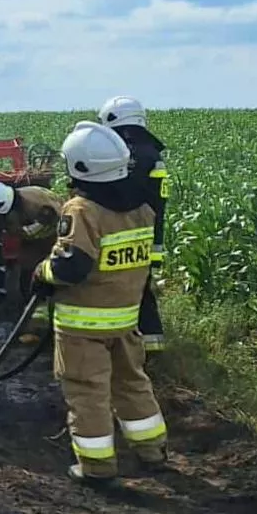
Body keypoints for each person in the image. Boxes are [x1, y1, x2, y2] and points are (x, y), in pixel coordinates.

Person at [32, 120, 168, 482]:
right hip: (125, 321)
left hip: (83, 327)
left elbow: (71, 266)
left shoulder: (81, 210)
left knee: (88, 393)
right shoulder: (142, 209)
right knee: (132, 383)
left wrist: (42, 273)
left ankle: (96, 466)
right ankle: (152, 450)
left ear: (79, 167)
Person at [97, 95, 169, 354]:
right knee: (142, 289)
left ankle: (122, 347)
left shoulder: (123, 153)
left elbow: (115, 196)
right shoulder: (152, 154)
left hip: (121, 234)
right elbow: (158, 204)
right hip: (148, 237)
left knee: (118, 290)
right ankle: (153, 344)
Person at [0, 180, 64, 312]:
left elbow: (44, 231)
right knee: (22, 271)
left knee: (38, 275)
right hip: (34, 240)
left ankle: (39, 311)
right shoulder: (9, 206)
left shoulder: (39, 207)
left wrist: (15, 233)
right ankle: (24, 307)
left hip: (53, 241)